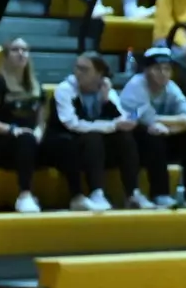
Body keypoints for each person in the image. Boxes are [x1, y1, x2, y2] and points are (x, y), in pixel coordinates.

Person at [118, 46, 186, 208]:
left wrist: (167, 125)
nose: (163, 73)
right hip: (133, 143)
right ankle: (160, 194)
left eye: (167, 69)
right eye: (157, 69)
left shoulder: (171, 88)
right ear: (146, 70)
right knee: (153, 134)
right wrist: (175, 122)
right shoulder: (135, 86)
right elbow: (145, 119)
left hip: (160, 135)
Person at [45, 52, 142, 211]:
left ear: (99, 73)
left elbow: (122, 119)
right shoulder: (65, 89)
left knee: (125, 137)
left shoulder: (106, 90)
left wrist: (106, 101)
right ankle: (97, 192)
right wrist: (111, 126)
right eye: (77, 68)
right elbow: (73, 124)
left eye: (84, 69)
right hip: (66, 144)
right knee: (93, 136)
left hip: (96, 149)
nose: (78, 73)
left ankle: (132, 194)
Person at [0, 38, 45, 213]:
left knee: (63, 142)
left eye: (24, 49)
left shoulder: (37, 86)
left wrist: (38, 132)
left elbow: (41, 121)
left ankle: (80, 195)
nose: (21, 53)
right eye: (15, 50)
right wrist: (13, 130)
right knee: (26, 138)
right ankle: (25, 195)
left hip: (29, 142)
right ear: (6, 56)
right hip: (1, 144)